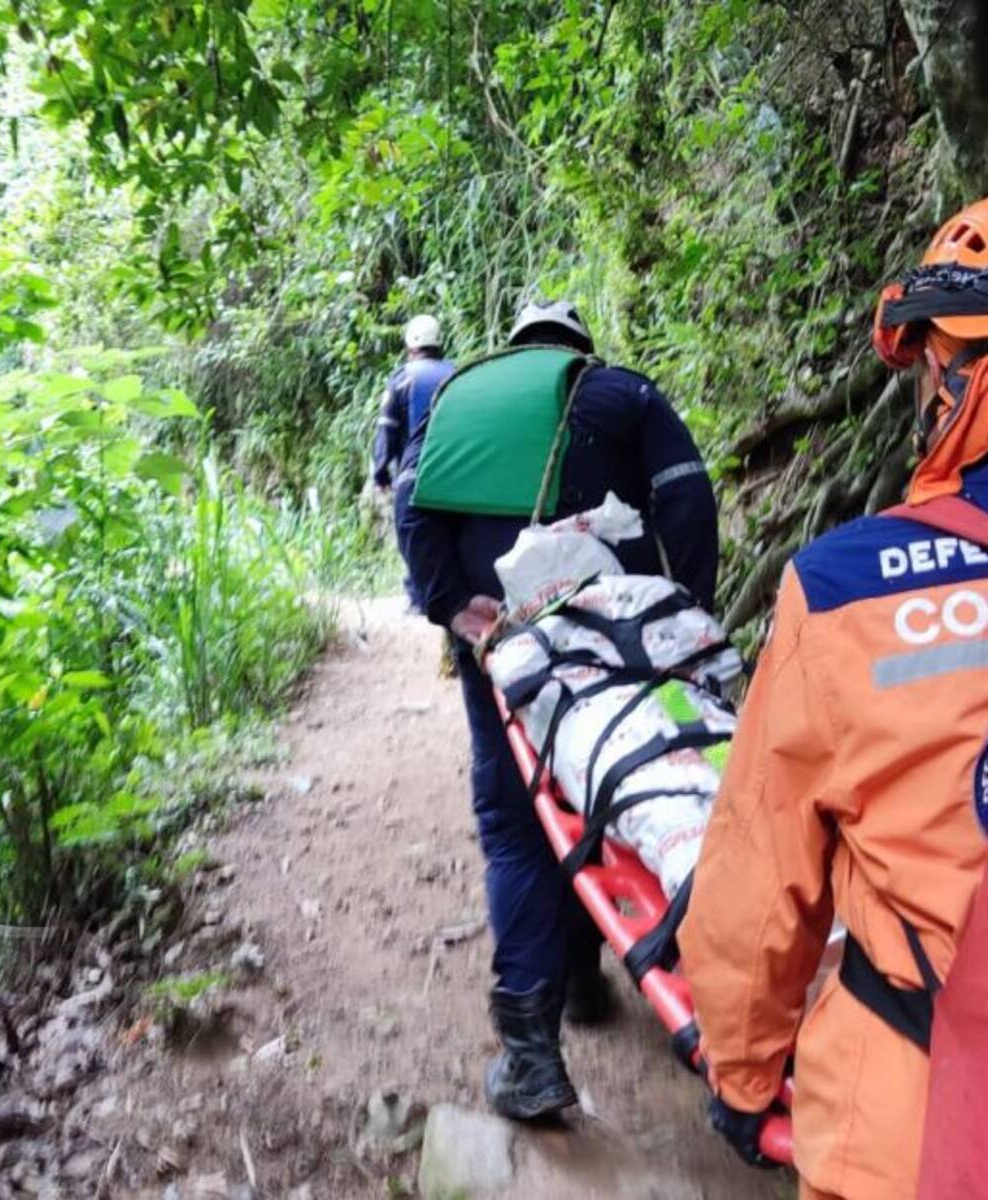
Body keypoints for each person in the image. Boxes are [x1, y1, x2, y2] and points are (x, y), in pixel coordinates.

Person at [680, 198, 988, 1199]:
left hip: (914, 1114)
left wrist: (742, 1067)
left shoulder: (852, 590)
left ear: (954, 378)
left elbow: (763, 872)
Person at [396, 299, 719, 1119]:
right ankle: (621, 978)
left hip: (501, 637)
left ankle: (533, 1051)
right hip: (616, 639)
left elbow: (411, 502)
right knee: (614, 790)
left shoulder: (460, 396)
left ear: (515, 349)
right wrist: (684, 609)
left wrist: (450, 605)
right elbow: (688, 498)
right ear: (581, 350)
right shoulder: (623, 393)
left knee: (514, 819)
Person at [372, 314, 456, 609]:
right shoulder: (457, 373)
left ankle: (419, 597)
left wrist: (380, 471)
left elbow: (387, 428)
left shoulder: (403, 378)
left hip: (414, 471)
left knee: (412, 533)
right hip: (455, 470)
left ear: (410, 346)